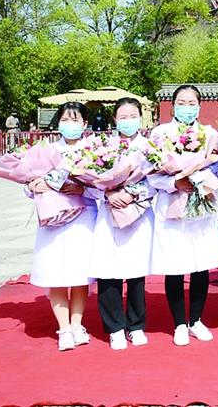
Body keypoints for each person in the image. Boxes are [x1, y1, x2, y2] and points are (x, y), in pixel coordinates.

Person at [147, 85, 218, 346]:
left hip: (202, 204)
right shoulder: (160, 135)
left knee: (201, 263)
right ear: (172, 106)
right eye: (182, 102)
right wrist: (174, 183)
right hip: (172, 205)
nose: (187, 107)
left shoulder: (209, 134)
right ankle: (180, 323)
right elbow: (151, 175)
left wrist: (201, 177)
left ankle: (196, 321)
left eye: (192, 103)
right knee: (175, 265)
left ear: (200, 107)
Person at [26, 101, 97, 351]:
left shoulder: (94, 151)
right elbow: (28, 182)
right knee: (55, 272)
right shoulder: (46, 151)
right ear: (58, 123)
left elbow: (103, 188)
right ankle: (64, 329)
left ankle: (77, 325)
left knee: (79, 274)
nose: (70, 124)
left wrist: (82, 189)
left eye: (75, 120)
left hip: (83, 217)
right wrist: (32, 186)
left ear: (85, 124)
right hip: (53, 219)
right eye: (65, 120)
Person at [88, 98, 153, 350]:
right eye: (123, 117)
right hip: (108, 212)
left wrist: (132, 193)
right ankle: (114, 327)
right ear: (114, 119)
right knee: (108, 269)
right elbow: (87, 182)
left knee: (136, 270)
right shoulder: (102, 147)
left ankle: (136, 325)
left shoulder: (150, 147)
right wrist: (108, 193)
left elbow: (157, 181)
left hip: (138, 213)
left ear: (141, 118)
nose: (128, 121)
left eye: (133, 116)